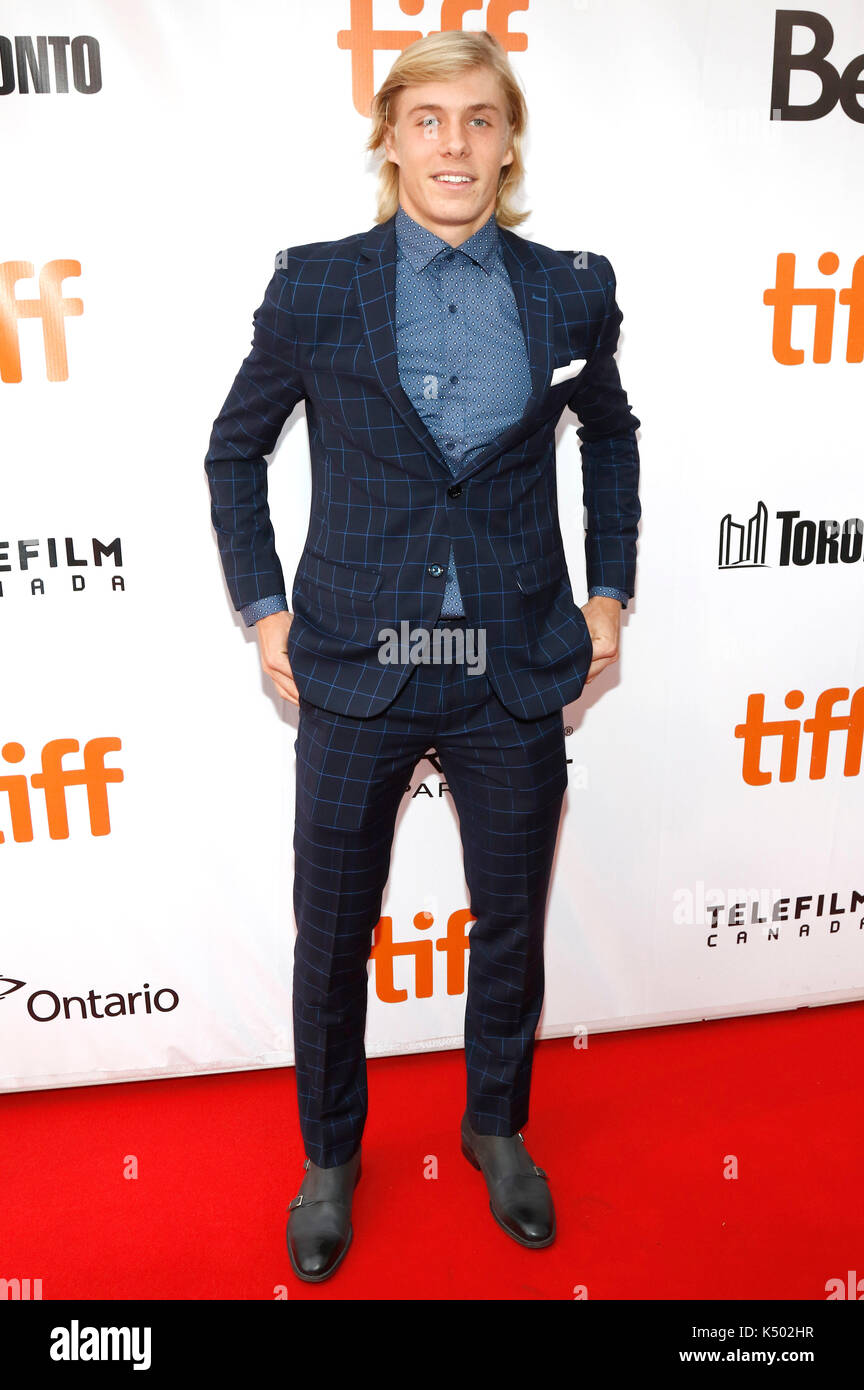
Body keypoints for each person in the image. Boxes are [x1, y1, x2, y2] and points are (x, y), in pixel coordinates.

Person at [204, 28, 640, 1284]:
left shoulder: (570, 286)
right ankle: (330, 1157)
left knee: (509, 921)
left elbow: (609, 439)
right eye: (430, 120)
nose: (456, 145)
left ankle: (496, 1126)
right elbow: (235, 450)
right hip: (353, 661)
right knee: (331, 931)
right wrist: (264, 611)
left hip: (515, 663)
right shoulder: (317, 287)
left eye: (481, 121)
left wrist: (609, 592)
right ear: (390, 137)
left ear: (509, 145)